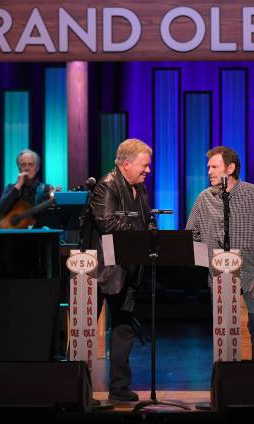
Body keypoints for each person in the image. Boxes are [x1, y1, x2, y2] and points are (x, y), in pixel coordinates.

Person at [186, 146, 254, 361]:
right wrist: (207, 263)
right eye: (208, 167)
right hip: (220, 274)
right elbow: (191, 236)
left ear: (231, 168)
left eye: (214, 167)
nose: (209, 171)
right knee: (223, 333)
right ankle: (227, 378)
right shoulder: (204, 198)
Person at [89, 138, 152, 402]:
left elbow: (147, 219)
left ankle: (119, 387)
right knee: (86, 330)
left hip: (129, 268)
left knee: (124, 327)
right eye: (144, 165)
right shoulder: (107, 186)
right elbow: (109, 224)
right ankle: (77, 387)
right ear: (126, 165)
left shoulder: (140, 188)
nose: (148, 170)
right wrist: (142, 233)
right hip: (104, 271)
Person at [0, 149, 54, 224]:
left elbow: (49, 216)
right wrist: (18, 186)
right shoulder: (11, 188)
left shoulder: (46, 189)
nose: (27, 168)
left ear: (37, 168)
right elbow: (0, 210)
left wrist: (55, 200)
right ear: (19, 169)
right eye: (23, 165)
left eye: (31, 164)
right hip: (13, 233)